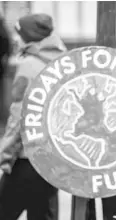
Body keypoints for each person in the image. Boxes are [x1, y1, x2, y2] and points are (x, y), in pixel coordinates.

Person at [0, 13, 67, 220]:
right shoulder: (63, 63)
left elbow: (19, 117)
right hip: (53, 160)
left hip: (26, 159)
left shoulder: (29, 65)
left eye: (19, 34)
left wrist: (5, 155)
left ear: (29, 37)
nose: (16, 39)